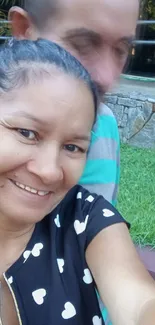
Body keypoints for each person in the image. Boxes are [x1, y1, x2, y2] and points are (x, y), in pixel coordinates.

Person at [0, 38, 155, 325]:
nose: (49, 172)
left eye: (73, 147)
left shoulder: (85, 220)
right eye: (26, 132)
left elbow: (138, 302)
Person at [9, 0, 139, 206]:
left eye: (121, 50)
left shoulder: (105, 124)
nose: (106, 77)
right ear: (25, 31)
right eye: (84, 45)